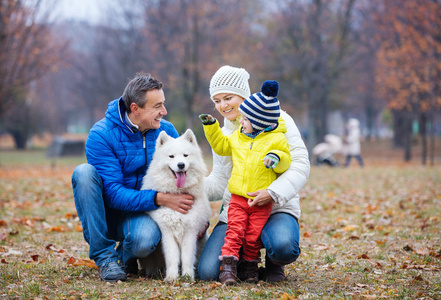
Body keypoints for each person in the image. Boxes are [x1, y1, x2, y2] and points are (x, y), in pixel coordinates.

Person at [71, 72, 196, 282]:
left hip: (144, 213)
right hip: (110, 214)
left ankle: (124, 257)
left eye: (163, 104)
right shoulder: (101, 134)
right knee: (83, 173)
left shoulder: (166, 131)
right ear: (135, 109)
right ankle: (105, 257)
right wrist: (158, 198)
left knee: (145, 241)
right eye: (157, 106)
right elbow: (113, 194)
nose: (164, 112)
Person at [198, 66, 310, 282]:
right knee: (207, 273)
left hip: (277, 206)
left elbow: (300, 164)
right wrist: (186, 187)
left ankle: (273, 261)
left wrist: (272, 192)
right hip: (238, 208)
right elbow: (221, 181)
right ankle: (244, 262)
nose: (222, 106)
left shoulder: (280, 120)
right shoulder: (223, 134)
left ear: (243, 94)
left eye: (228, 97)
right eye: (217, 100)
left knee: (283, 246)